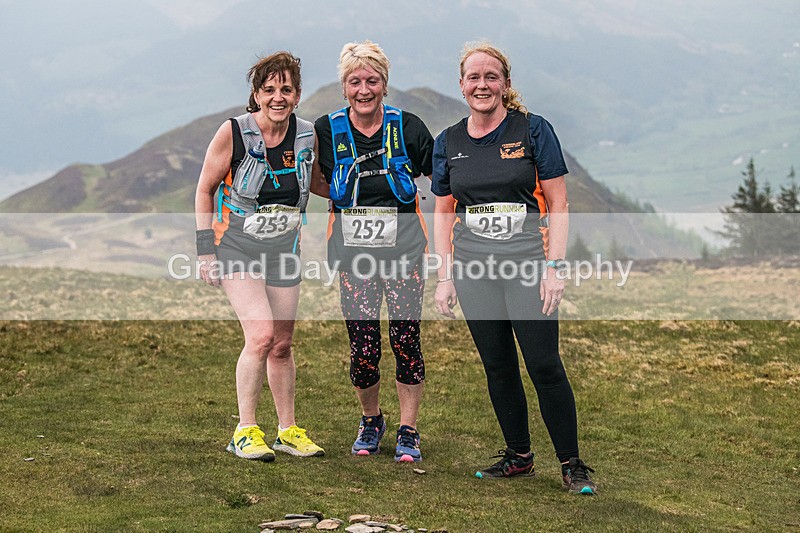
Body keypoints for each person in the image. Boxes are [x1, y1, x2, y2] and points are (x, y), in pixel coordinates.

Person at [431, 41, 597, 494]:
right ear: (461, 85)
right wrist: (444, 276)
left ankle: (573, 464)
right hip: (473, 272)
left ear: (505, 83)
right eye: (474, 77)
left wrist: (555, 267)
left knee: (544, 364)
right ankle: (519, 456)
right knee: (498, 366)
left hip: (527, 267)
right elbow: (443, 212)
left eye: (491, 77)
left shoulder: (533, 130)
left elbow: (559, 202)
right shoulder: (448, 142)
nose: (482, 85)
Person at [195, 51, 324, 462]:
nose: (278, 97)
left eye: (286, 89)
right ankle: (245, 431)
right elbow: (204, 189)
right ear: (256, 94)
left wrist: (373, 193)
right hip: (236, 247)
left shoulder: (307, 135)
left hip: (285, 249)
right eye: (269, 89)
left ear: (297, 94)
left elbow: (318, 183)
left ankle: (287, 431)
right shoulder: (233, 132)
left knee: (282, 344)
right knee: (261, 336)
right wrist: (205, 252)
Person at [312, 40, 434, 462]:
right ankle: (371, 420)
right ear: (343, 87)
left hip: (405, 256)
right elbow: (310, 176)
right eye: (354, 81)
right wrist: (340, 195)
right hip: (354, 259)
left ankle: (408, 429)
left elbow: (442, 175)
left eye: (372, 80)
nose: (363, 89)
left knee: (406, 341)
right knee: (363, 346)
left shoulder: (409, 127)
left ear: (385, 84)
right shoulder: (327, 130)